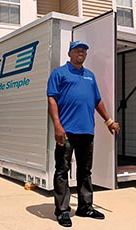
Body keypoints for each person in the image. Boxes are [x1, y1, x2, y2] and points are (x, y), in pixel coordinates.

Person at [47, 41, 120, 227]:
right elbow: (52, 99)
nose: (81, 52)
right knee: (62, 170)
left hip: (87, 131)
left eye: (84, 50)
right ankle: (62, 210)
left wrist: (109, 121)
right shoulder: (59, 73)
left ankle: (85, 207)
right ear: (70, 52)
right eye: (78, 49)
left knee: (85, 171)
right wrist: (57, 125)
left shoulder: (90, 76)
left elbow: (97, 101)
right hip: (67, 132)